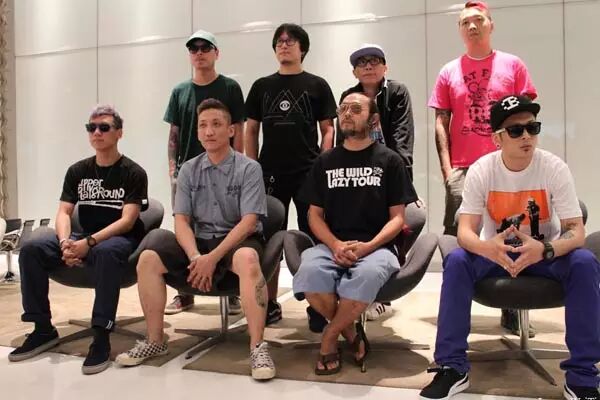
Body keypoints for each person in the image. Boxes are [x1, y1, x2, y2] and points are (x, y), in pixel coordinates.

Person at [420, 95, 600, 400]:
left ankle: (582, 376)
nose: (527, 136)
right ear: (497, 138)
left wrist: (545, 249)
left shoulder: (553, 168)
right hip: (497, 254)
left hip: (543, 254)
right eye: (516, 130)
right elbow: (464, 231)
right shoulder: (482, 170)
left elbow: (576, 230)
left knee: (583, 261)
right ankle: (452, 367)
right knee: (458, 260)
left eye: (532, 127)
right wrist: (488, 248)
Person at [116, 99, 275, 381]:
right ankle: (155, 340)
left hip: (235, 241)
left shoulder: (249, 168)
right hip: (199, 244)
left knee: (248, 258)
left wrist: (212, 258)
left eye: (216, 124)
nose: (209, 131)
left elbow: (249, 222)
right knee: (148, 257)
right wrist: (195, 257)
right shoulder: (188, 169)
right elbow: (181, 221)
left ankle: (257, 347)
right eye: (203, 125)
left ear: (231, 130)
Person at [8, 105, 148, 375]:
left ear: (119, 133)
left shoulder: (133, 172)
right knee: (32, 248)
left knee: (106, 252)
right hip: (81, 236)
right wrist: (65, 243)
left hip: (119, 238)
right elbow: (63, 212)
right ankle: (42, 328)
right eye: (91, 128)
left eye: (104, 127)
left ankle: (101, 335)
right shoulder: (77, 171)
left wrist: (89, 244)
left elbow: (127, 221)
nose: (97, 132)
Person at [428, 0, 537, 335]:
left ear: (491, 24)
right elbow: (441, 122)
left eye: (478, 20)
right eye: (465, 22)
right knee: (457, 239)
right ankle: (454, 311)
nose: (472, 26)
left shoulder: (512, 65)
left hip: (507, 167)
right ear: (460, 30)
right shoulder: (449, 71)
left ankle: (512, 308)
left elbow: (526, 116)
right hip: (463, 169)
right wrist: (447, 171)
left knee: (512, 232)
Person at [292, 92, 417, 375]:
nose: (347, 113)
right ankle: (351, 334)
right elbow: (314, 215)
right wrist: (335, 244)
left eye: (356, 109)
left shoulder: (390, 161)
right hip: (331, 246)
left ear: (373, 119)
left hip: (377, 248)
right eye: (343, 108)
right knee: (309, 272)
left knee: (367, 275)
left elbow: (398, 219)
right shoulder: (325, 162)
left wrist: (368, 246)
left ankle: (329, 336)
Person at [245, 23, 337, 325]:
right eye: (279, 41)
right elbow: (251, 129)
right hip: (269, 173)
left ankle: (318, 306)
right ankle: (270, 303)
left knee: (313, 238)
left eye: (290, 41)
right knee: (270, 241)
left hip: (308, 172)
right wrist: (252, 168)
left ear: (303, 49)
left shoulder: (317, 85)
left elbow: (328, 129)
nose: (284, 45)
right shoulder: (261, 86)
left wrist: (322, 165)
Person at [164, 29, 245, 316]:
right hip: (188, 173)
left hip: (225, 170)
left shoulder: (230, 88)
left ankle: (231, 291)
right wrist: (173, 169)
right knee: (186, 228)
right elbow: (173, 134)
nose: (199, 53)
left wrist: (239, 165)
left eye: (205, 48)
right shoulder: (180, 92)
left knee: (227, 223)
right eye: (193, 49)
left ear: (216, 53)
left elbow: (239, 129)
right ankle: (185, 292)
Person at [338, 43, 416, 323]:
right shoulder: (349, 96)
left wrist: (399, 183)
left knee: (399, 226)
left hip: (389, 173)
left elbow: (403, 139)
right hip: (357, 176)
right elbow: (344, 139)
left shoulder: (397, 92)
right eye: (361, 63)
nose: (368, 66)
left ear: (385, 67)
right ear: (354, 71)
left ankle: (383, 295)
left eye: (374, 61)